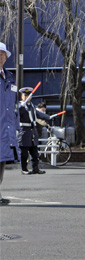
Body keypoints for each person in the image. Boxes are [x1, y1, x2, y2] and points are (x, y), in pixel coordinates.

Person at [0, 42, 20, 205]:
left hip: (6, 128)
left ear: (6, 57)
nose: (0, 57)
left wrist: (16, 126)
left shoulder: (10, 78)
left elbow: (14, 106)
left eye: (2, 54)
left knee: (2, 162)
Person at [18, 87, 51, 175]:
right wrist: (19, 108)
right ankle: (24, 169)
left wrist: (48, 117)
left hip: (33, 131)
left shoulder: (32, 106)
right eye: (25, 95)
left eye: (28, 95)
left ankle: (35, 168)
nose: (27, 97)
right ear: (22, 96)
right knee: (24, 153)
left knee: (34, 152)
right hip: (24, 131)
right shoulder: (19, 106)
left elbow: (38, 114)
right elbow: (15, 114)